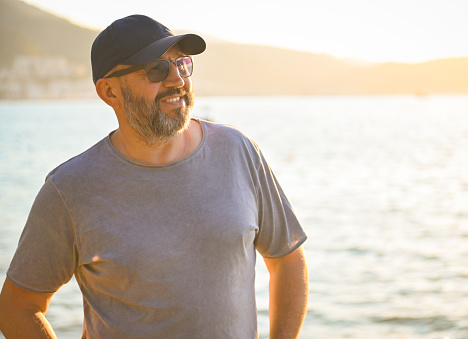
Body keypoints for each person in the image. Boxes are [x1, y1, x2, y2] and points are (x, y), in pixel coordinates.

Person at [0, 14, 308, 339]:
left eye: (182, 64)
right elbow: (16, 307)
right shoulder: (71, 189)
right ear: (109, 91)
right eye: (157, 69)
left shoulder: (239, 151)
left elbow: (287, 259)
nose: (177, 80)